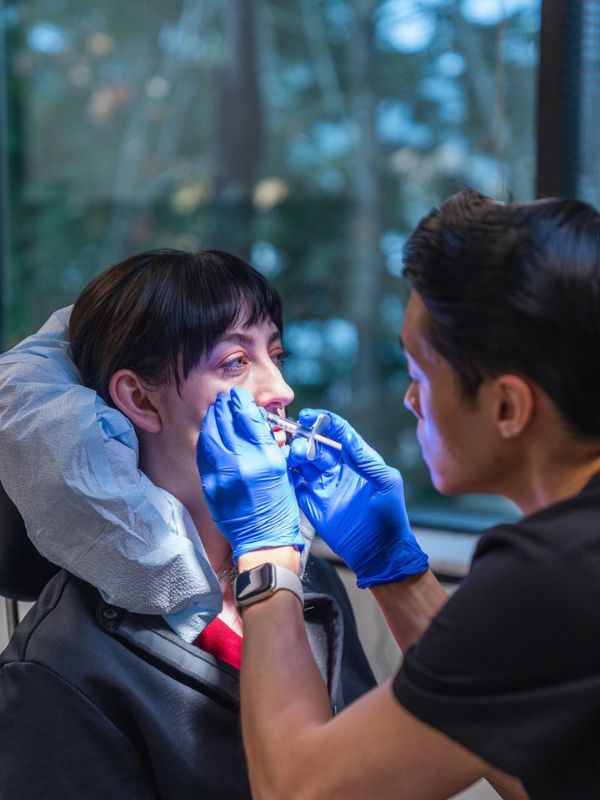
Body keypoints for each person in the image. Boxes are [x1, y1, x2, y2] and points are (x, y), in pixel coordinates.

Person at [197, 190, 600, 800]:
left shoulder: (554, 574)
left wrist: (267, 555)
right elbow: (540, 773)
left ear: (507, 405)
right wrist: (396, 570)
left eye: (419, 376)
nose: (411, 401)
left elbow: (296, 791)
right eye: (235, 361)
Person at [0, 249, 375, 799]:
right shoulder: (58, 670)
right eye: (234, 363)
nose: (281, 390)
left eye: (276, 354)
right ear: (139, 399)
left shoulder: (309, 582)